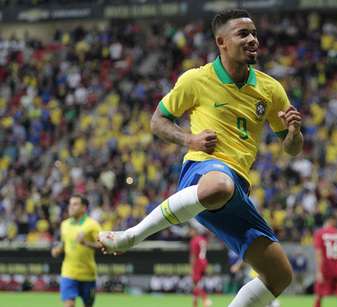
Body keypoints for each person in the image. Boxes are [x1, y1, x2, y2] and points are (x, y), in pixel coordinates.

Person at [98, 8, 303, 306]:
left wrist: (294, 133)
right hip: (203, 170)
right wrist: (189, 139)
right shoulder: (196, 79)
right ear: (221, 42)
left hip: (237, 188)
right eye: (243, 34)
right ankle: (131, 236)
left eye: (254, 33)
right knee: (219, 185)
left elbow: (292, 148)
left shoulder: (271, 89)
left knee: (279, 275)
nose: (252, 39)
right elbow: (158, 120)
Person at [51, 195, 102, 307]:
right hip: (68, 273)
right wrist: (57, 250)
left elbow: (102, 245)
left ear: (84, 208)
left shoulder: (92, 224)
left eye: (75, 204)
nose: (71, 207)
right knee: (69, 304)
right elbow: (63, 242)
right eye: (70, 204)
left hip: (88, 274)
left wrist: (86, 243)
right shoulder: (64, 224)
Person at [313, 214, 337, 307]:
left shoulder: (320, 233)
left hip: (325, 267)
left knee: (319, 296)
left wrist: (319, 271)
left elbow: (319, 253)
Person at [189, 223, 212, 307]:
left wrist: (192, 268)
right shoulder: (203, 239)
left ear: (195, 231)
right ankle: (195, 302)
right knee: (198, 283)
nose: (190, 232)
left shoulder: (194, 240)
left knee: (195, 283)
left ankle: (205, 299)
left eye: (191, 230)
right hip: (204, 262)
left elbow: (193, 255)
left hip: (198, 263)